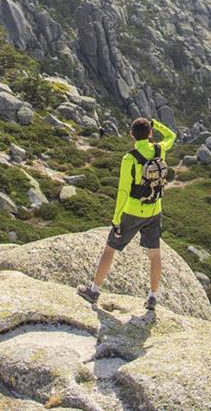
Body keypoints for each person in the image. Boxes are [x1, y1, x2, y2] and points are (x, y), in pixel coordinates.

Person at [77, 116, 176, 310]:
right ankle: (153, 297)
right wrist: (156, 123)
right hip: (154, 210)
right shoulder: (159, 149)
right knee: (155, 254)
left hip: (131, 211)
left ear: (131, 135)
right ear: (150, 134)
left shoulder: (129, 158)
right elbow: (172, 135)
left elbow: (123, 191)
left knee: (110, 249)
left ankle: (94, 291)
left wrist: (116, 220)